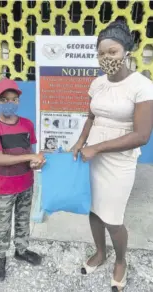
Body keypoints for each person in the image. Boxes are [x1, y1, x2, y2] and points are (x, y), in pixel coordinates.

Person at [72, 21, 153, 291]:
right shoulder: (97, 84)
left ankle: (120, 260)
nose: (106, 58)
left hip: (119, 159)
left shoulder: (141, 85)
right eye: (102, 53)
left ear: (126, 52)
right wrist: (81, 142)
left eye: (113, 52)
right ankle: (100, 252)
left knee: (113, 217)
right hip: (91, 156)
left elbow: (142, 135)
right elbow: (91, 118)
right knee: (93, 209)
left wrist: (97, 148)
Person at [0, 78, 46, 282]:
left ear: (19, 100)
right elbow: (0, 159)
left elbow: (31, 153)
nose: (10, 103)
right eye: (4, 99)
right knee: (3, 224)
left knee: (22, 219)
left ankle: (21, 250)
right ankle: (0, 258)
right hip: (5, 186)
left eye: (14, 99)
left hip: (26, 183)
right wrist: (30, 158)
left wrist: (36, 163)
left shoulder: (27, 124)